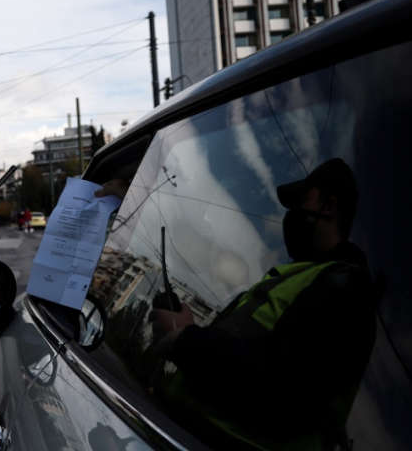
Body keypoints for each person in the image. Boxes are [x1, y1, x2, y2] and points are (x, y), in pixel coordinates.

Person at [150, 158, 376, 450]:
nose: (290, 215)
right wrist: (191, 326)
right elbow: (257, 348)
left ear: (328, 207)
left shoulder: (346, 290)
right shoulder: (307, 277)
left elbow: (286, 392)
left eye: (301, 201)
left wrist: (185, 338)